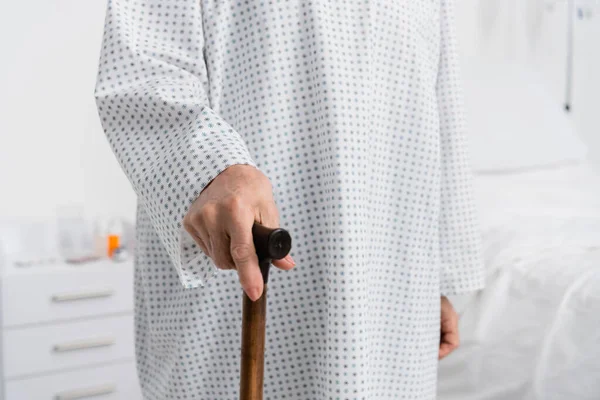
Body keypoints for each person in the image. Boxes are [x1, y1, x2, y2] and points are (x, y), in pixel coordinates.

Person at [94, 0, 485, 398]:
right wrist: (214, 168)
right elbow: (144, 69)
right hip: (238, 262)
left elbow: (441, 111)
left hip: (391, 286)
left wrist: (439, 281)